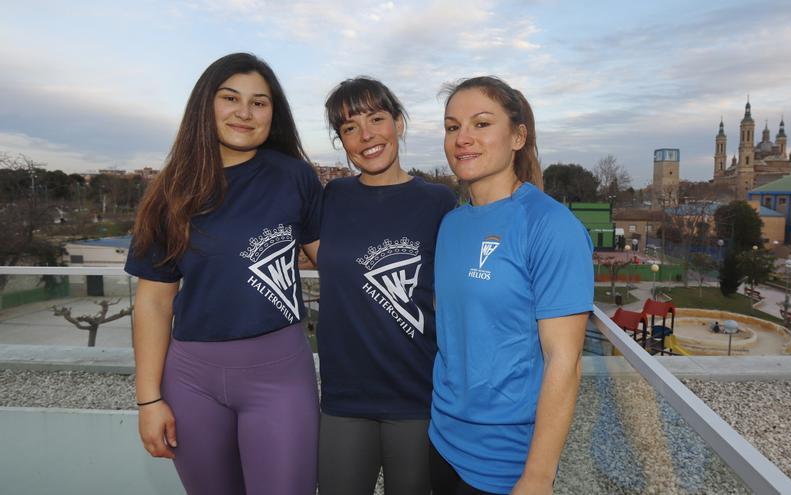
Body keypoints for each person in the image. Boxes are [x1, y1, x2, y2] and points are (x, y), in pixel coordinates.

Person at [125, 53, 321, 495]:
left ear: (275, 112)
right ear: (205, 105)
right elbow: (153, 302)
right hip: (191, 380)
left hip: (281, 374)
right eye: (230, 98)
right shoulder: (169, 193)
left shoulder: (294, 178)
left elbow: (337, 260)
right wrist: (149, 400)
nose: (245, 113)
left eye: (260, 102)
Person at [430, 76, 594, 494]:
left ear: (518, 136)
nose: (463, 138)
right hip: (442, 443)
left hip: (507, 462)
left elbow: (564, 360)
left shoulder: (551, 226)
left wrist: (538, 476)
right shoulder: (451, 224)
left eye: (481, 124)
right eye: (452, 127)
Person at [317, 77, 457, 495]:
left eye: (377, 119)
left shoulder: (438, 202)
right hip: (344, 397)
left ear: (398, 123)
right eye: (349, 128)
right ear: (341, 140)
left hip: (417, 397)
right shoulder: (332, 198)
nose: (366, 136)